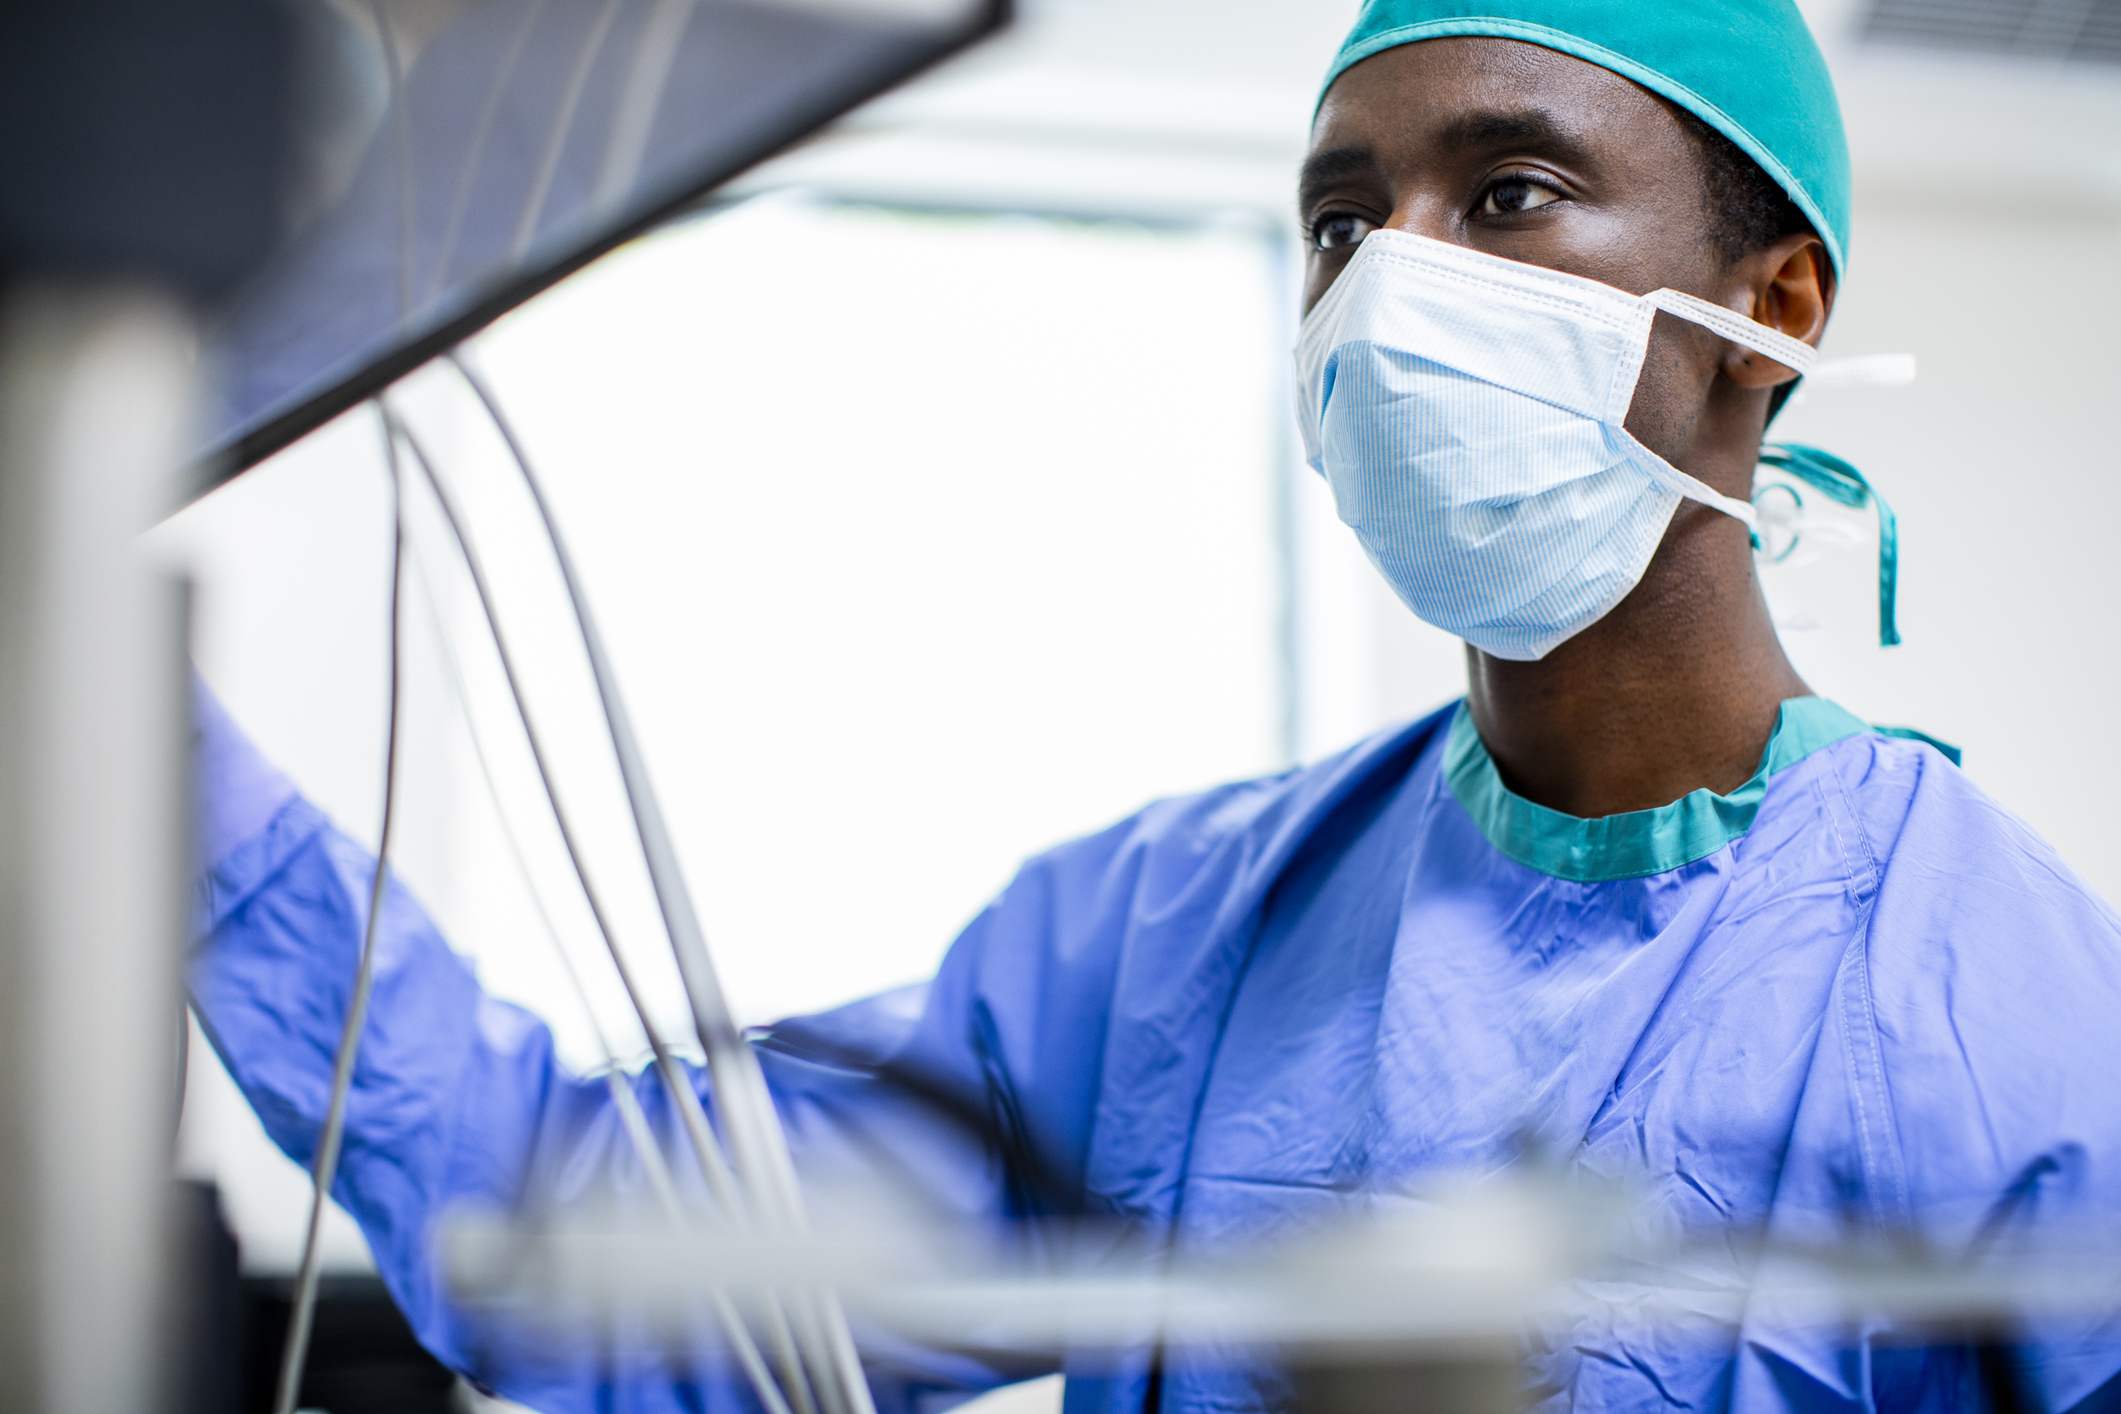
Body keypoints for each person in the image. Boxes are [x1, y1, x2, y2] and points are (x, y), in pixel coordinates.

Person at [189, 2, 2121, 1411]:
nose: (1387, 288)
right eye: (1342, 223)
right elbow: (585, 1250)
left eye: (1510, 195)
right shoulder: (1172, 944)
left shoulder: (2002, 1006)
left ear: (1773, 309)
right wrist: (142, 773)